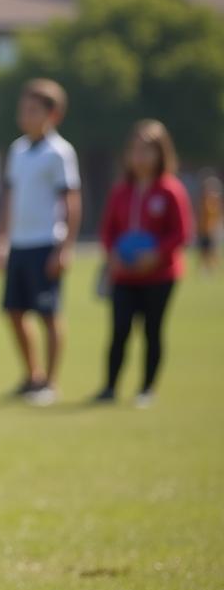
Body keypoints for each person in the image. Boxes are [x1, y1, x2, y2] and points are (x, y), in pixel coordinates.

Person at [0, 79, 81, 406]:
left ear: (52, 115)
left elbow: (71, 200)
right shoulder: (17, 150)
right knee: (14, 311)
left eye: (32, 110)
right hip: (20, 244)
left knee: (48, 314)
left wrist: (65, 247)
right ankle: (33, 376)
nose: (25, 116)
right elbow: (10, 197)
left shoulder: (60, 153)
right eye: (23, 109)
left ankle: (51, 384)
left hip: (46, 243)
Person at [94, 120, 192, 407]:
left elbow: (182, 232)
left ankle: (147, 388)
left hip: (159, 275)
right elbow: (107, 230)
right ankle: (110, 387)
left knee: (152, 330)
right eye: (135, 150)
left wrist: (156, 254)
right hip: (124, 275)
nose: (140, 157)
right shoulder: (121, 190)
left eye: (147, 151)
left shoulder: (170, 190)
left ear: (161, 154)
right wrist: (113, 254)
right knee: (119, 329)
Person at [195, 173, 222, 273]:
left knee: (212, 252)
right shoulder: (202, 200)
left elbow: (217, 216)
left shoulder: (214, 201)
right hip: (203, 231)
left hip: (211, 231)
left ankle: (212, 270)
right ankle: (204, 270)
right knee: (203, 252)